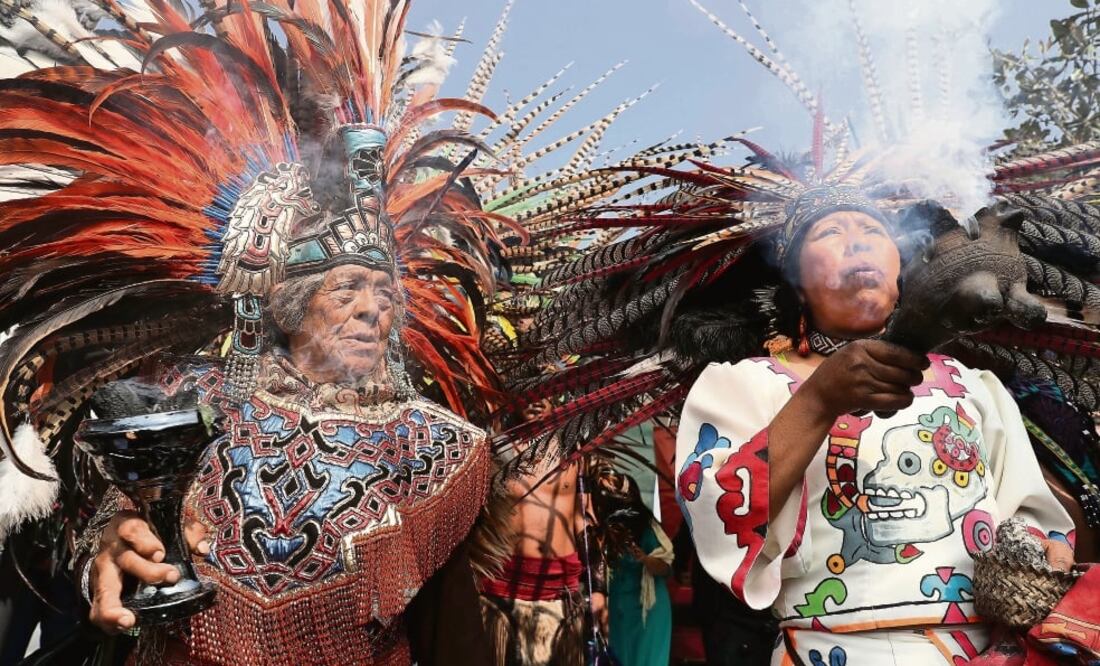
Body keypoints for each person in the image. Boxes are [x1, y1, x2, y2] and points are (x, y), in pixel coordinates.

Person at [675, 187, 1075, 664]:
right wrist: (821, 399)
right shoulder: (741, 383)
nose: (857, 241)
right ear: (797, 280)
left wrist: (1027, 592)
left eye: (873, 230)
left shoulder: (975, 386)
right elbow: (717, 506)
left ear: (901, 267)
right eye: (830, 232)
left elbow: (1032, 517)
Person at [478, 398, 608, 666]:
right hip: (500, 589)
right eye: (531, 389)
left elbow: (585, 523)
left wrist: (599, 590)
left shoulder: (573, 453)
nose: (538, 398)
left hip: (557, 594)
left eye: (548, 388)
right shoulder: (490, 449)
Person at [593, 468, 673, 666]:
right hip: (620, 611)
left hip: (648, 611)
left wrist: (645, 559)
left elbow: (665, 567)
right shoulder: (605, 531)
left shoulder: (647, 528)